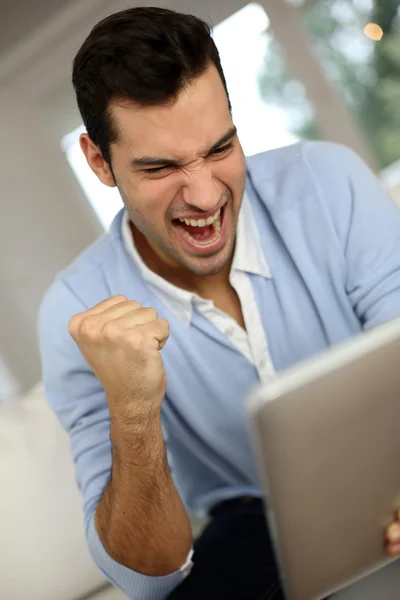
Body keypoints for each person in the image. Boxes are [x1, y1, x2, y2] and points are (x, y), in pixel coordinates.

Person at [38, 7, 400, 600]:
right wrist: (132, 408)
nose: (206, 196)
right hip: (252, 524)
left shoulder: (328, 182)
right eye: (160, 167)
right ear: (100, 162)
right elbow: (147, 580)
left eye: (220, 147)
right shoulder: (75, 313)